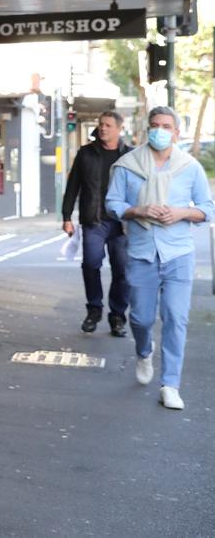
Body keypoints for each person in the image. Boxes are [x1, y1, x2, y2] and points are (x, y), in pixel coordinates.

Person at [105, 105, 213, 410]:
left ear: (177, 132)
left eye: (167, 126)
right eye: (155, 125)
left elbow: (207, 208)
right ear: (146, 129)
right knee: (140, 317)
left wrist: (182, 213)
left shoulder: (190, 167)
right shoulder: (128, 166)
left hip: (179, 253)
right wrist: (138, 210)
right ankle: (143, 350)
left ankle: (170, 384)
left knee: (176, 318)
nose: (160, 131)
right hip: (141, 252)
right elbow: (112, 202)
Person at [62, 110, 133, 335]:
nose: (103, 128)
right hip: (94, 220)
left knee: (121, 269)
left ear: (119, 129)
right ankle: (94, 309)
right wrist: (66, 217)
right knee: (91, 264)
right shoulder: (86, 153)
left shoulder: (130, 156)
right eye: (101, 124)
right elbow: (73, 186)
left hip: (122, 223)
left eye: (108, 125)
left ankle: (118, 317)